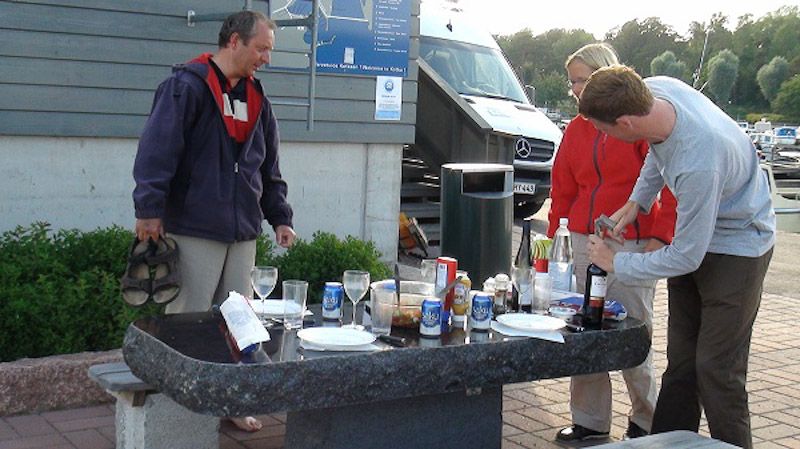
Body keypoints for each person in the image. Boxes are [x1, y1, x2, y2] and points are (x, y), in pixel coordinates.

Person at [580, 65, 775, 449]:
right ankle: (666, 444)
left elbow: (686, 256)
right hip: (700, 230)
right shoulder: (653, 92)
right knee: (682, 365)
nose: (603, 138)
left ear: (623, 123)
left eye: (604, 131)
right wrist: (638, 201)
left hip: (740, 244)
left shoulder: (699, 159)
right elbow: (657, 147)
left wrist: (616, 262)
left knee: (717, 370)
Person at [132, 10, 296, 432]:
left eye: (269, 51)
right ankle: (182, 414)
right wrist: (149, 209)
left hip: (241, 232)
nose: (267, 59)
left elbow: (268, 166)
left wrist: (279, 216)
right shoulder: (185, 86)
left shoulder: (259, 99)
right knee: (187, 322)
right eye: (262, 49)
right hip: (194, 228)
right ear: (235, 41)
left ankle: (231, 402)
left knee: (238, 323)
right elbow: (157, 149)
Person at [548, 44, 677, 442]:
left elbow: (670, 183)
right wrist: (556, 235)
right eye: (572, 82)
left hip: (633, 244)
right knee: (584, 332)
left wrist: (660, 236)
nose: (575, 90)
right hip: (585, 241)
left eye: (582, 81)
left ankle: (647, 420)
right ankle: (589, 420)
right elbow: (563, 185)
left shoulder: (635, 123)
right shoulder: (575, 129)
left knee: (634, 336)